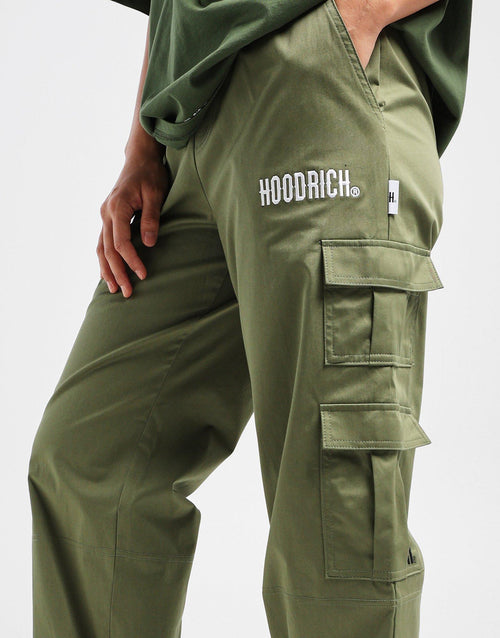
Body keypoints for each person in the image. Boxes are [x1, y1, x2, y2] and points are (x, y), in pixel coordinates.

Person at [27, 1, 473, 636]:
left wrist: (354, 18)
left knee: (333, 529)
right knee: (89, 467)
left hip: (319, 90)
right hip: (190, 129)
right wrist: (143, 145)